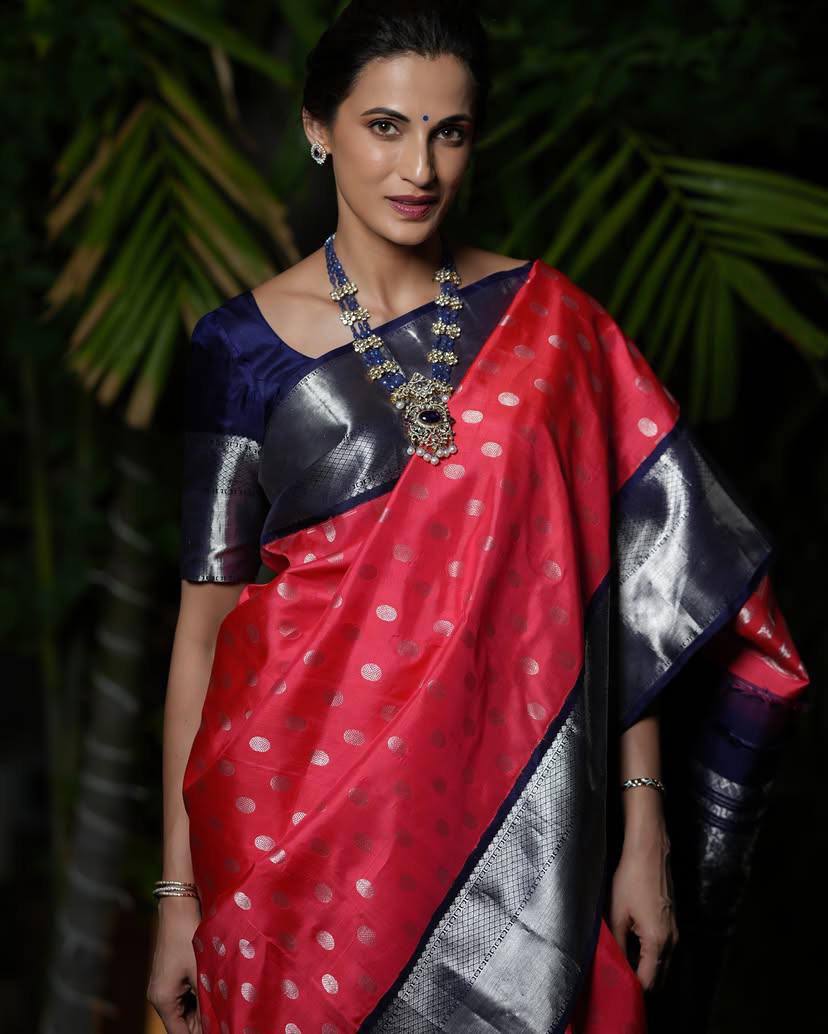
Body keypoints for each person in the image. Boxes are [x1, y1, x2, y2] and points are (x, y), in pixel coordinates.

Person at [146, 2, 811, 1032]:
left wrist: (643, 826)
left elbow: (621, 587)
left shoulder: (555, 327)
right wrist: (177, 895)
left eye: (448, 132)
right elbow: (203, 634)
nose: (420, 168)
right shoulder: (239, 348)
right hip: (290, 835)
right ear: (320, 127)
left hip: (524, 820)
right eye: (385, 127)